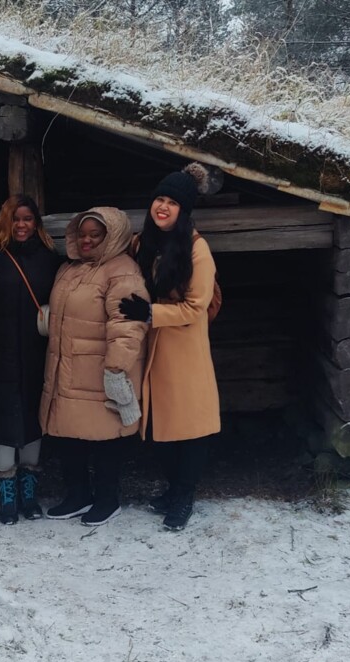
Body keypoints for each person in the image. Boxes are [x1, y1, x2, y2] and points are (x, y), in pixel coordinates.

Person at [119, 163, 221, 531]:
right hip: (152, 345)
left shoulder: (198, 250)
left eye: (172, 202)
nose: (162, 206)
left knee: (188, 428)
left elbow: (195, 305)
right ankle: (172, 488)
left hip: (183, 348)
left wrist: (149, 313)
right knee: (159, 425)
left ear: (184, 210)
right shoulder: (142, 241)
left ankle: (183, 496)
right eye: (159, 199)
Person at [39, 207, 149, 526]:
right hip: (66, 367)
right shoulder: (69, 269)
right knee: (68, 435)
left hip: (101, 370)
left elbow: (128, 322)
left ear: (112, 235)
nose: (86, 240)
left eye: (95, 234)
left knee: (105, 438)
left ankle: (107, 499)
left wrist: (117, 368)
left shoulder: (123, 271)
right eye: (82, 234)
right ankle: (77, 495)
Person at [0, 195, 62, 525]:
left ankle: (28, 492)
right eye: (15, 219)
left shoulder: (50, 259)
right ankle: (7, 494)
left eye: (27, 218)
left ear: (36, 222)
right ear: (5, 221)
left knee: (34, 415)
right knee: (2, 418)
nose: (21, 225)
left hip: (36, 351)